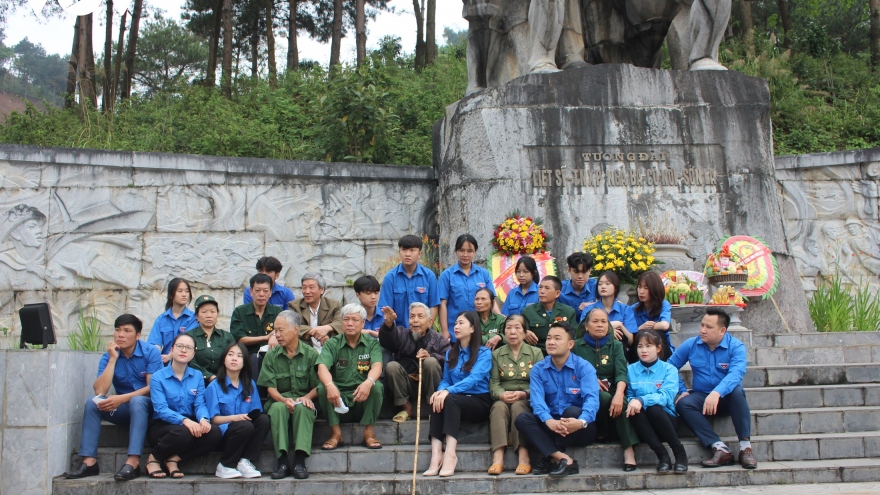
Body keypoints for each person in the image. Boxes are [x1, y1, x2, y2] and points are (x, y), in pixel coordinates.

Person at [63, 314, 162, 481]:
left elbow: (152, 388)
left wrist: (122, 398)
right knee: (92, 403)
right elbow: (100, 391)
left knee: (137, 401)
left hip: (150, 409)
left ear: (137, 335)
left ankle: (133, 462)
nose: (120, 335)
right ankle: (89, 462)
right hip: (125, 410)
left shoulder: (150, 352)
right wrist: (112, 360)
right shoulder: (109, 355)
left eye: (127, 330)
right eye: (117, 330)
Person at [669, 308, 757, 469]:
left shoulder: (736, 347)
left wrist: (717, 392)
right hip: (701, 397)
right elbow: (669, 367)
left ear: (722, 330)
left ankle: (745, 448)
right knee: (683, 403)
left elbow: (736, 374)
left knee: (737, 392)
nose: (703, 330)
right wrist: (682, 390)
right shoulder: (691, 344)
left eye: (709, 327)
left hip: (726, 398)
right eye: (702, 325)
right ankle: (719, 448)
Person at [514, 321, 600, 477]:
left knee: (572, 411)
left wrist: (581, 422)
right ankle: (564, 459)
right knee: (522, 419)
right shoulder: (539, 369)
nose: (551, 342)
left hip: (580, 428)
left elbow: (592, 400)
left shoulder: (584, 367)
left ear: (570, 344)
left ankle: (549, 458)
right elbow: (537, 401)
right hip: (552, 425)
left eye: (557, 338)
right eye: (548, 338)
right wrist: (548, 421)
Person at [424, 311, 492, 477]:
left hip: (479, 401)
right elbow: (446, 379)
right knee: (437, 398)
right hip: (456, 400)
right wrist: (440, 391)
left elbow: (474, 380)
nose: (456, 327)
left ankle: (450, 454)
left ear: (473, 328)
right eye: (455, 323)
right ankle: (436, 454)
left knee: (449, 398)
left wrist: (447, 391)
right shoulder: (450, 353)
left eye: (461, 323)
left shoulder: (484, 353)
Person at [145, 333, 222, 479]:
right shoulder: (158, 377)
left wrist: (204, 419)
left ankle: (174, 459)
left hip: (189, 424)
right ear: (172, 350)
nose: (183, 350)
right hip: (163, 427)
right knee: (183, 433)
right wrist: (184, 421)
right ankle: (154, 459)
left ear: (193, 354)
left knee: (214, 432)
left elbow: (200, 403)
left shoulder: (197, 376)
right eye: (179, 346)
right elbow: (161, 409)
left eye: (188, 348)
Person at [572, 308, 639, 471]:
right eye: (595, 322)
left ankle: (629, 450)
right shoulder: (576, 347)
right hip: (585, 390)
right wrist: (590, 379)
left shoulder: (616, 345)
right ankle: (602, 431)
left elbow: (622, 374)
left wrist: (619, 394)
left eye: (604, 322)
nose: (600, 325)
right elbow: (572, 372)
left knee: (621, 402)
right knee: (602, 397)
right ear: (586, 326)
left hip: (613, 387)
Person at [257, 311, 319, 480]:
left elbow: (318, 386)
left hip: (303, 398)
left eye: (281, 330)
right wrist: (284, 400)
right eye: (275, 331)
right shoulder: (271, 356)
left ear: (295, 330)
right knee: (277, 409)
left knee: (304, 409)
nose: (277, 335)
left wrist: (306, 398)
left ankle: (299, 461)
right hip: (279, 400)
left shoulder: (311, 354)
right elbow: (270, 388)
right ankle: (282, 462)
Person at [317, 304, 385, 450]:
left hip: (362, 399)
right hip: (338, 400)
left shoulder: (372, 343)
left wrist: (369, 382)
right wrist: (330, 386)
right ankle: (336, 434)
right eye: (346, 319)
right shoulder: (332, 344)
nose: (349, 323)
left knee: (377, 386)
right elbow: (322, 367)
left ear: (363, 323)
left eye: (354, 320)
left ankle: (369, 432)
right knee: (322, 388)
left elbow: (377, 366)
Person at [487, 314, 544, 475]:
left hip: (526, 397)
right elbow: (494, 383)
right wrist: (501, 395)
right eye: (508, 328)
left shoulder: (536, 352)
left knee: (519, 407)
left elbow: (541, 384)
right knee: (498, 407)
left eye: (517, 328)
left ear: (525, 332)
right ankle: (498, 457)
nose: (512, 332)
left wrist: (524, 394)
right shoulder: (497, 354)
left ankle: (524, 457)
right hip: (504, 394)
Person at [205, 342, 270, 478]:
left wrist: (246, 417)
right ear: (224, 360)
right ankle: (225, 465)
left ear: (244, 362)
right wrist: (234, 418)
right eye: (230, 355)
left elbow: (256, 411)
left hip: (245, 431)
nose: (234, 358)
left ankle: (245, 461)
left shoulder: (250, 384)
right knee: (244, 425)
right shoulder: (214, 386)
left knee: (263, 420)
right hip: (224, 436)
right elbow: (213, 419)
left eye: (239, 356)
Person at [626, 330, 688, 473]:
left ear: (658, 348)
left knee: (653, 408)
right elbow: (629, 394)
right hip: (643, 425)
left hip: (666, 420)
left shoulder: (669, 369)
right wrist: (633, 401)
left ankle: (679, 453)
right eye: (640, 346)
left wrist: (641, 400)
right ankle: (663, 456)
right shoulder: (630, 370)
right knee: (635, 411)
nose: (644, 350)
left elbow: (666, 396)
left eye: (649, 346)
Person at [379, 302, 450, 423]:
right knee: (392, 366)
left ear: (430, 322)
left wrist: (431, 356)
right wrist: (389, 324)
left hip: (430, 384)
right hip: (407, 384)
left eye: (420, 316)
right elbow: (388, 342)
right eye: (412, 317)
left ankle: (432, 407)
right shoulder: (402, 333)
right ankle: (406, 407)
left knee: (431, 362)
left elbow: (450, 361)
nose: (415, 320)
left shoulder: (439, 339)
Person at [438, 234, 496, 341]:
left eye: (470, 251)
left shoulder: (483, 274)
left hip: (481, 329)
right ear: (456, 251)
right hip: (455, 330)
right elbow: (443, 304)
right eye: (461, 250)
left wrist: (500, 319)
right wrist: (445, 330)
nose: (465, 254)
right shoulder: (447, 275)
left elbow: (491, 301)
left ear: (475, 252)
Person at [378, 234, 440, 327]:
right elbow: (385, 308)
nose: (407, 254)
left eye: (412, 250)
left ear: (419, 254)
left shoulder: (429, 276)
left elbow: (434, 305)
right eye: (404, 250)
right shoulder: (390, 278)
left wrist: (427, 327)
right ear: (399, 252)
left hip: (423, 332)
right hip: (398, 333)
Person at [231, 273, 282, 381]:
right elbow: (240, 339)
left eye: (265, 291)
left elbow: (284, 331)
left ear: (270, 293)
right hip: (248, 356)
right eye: (257, 290)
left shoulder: (277, 312)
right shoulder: (240, 312)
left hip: (272, 355)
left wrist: (273, 335)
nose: (261, 294)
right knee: (255, 358)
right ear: (251, 292)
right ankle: (255, 395)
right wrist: (265, 337)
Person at [579, 271, 638, 349]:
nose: (603, 286)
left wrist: (620, 325)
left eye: (607, 284)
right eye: (600, 284)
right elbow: (581, 334)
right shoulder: (589, 309)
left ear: (616, 287)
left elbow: (631, 342)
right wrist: (609, 330)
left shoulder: (626, 309)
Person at [186, 295, 236, 383]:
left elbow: (234, 358)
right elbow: (189, 361)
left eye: (213, 311)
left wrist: (222, 377)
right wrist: (209, 377)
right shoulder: (188, 337)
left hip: (223, 381)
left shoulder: (227, 337)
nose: (209, 315)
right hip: (196, 381)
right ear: (197, 316)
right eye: (204, 312)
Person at [147, 278, 199, 363]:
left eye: (187, 291)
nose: (184, 294)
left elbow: (188, 342)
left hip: (187, 364)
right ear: (171, 295)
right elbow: (154, 344)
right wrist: (156, 356)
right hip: (164, 364)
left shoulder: (193, 318)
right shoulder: (161, 319)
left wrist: (171, 356)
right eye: (180, 291)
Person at [522, 275, 577, 353]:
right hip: (537, 355)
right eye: (540, 287)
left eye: (547, 288)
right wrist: (524, 333)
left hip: (561, 354)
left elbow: (574, 338)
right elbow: (522, 336)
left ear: (557, 293)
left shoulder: (568, 312)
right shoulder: (528, 312)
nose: (542, 291)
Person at [288, 272, 343, 349]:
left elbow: (341, 323)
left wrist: (327, 328)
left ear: (321, 290)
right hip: (304, 350)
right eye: (304, 287)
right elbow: (290, 325)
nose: (307, 291)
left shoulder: (333, 305)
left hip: (328, 348)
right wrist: (314, 331)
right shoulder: (294, 306)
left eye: (311, 287)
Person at [631, 271, 673, 360]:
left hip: (662, 351)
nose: (641, 291)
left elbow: (665, 325)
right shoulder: (633, 309)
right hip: (640, 351)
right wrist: (641, 328)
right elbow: (629, 332)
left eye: (646, 288)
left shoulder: (663, 304)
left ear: (655, 289)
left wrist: (650, 327)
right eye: (639, 287)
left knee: (657, 334)